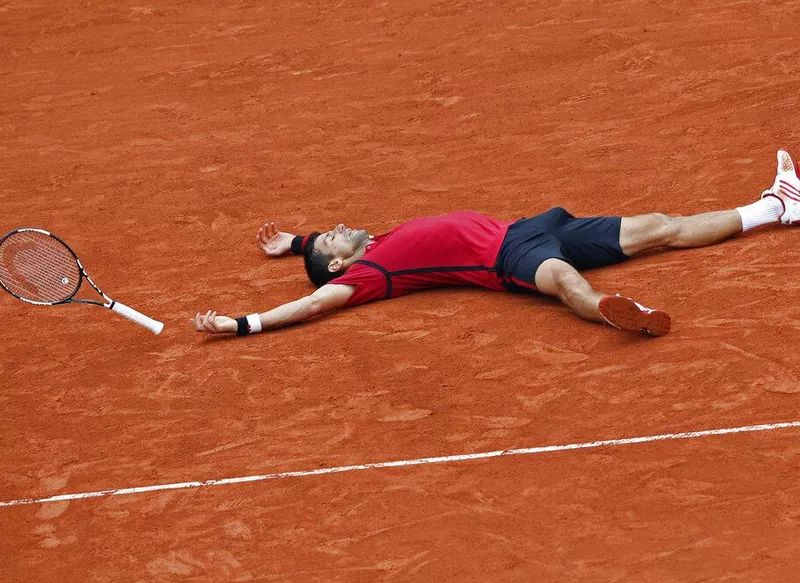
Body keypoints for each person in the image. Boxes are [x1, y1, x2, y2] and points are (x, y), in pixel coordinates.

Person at [190, 150, 800, 338]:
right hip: (508, 259)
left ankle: (775, 205)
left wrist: (296, 244)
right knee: (565, 283)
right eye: (329, 238)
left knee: (660, 226)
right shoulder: (370, 272)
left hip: (534, 226)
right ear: (344, 263)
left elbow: (326, 255)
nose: (333, 226)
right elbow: (319, 301)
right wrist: (246, 323)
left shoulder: (376, 240)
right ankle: (622, 312)